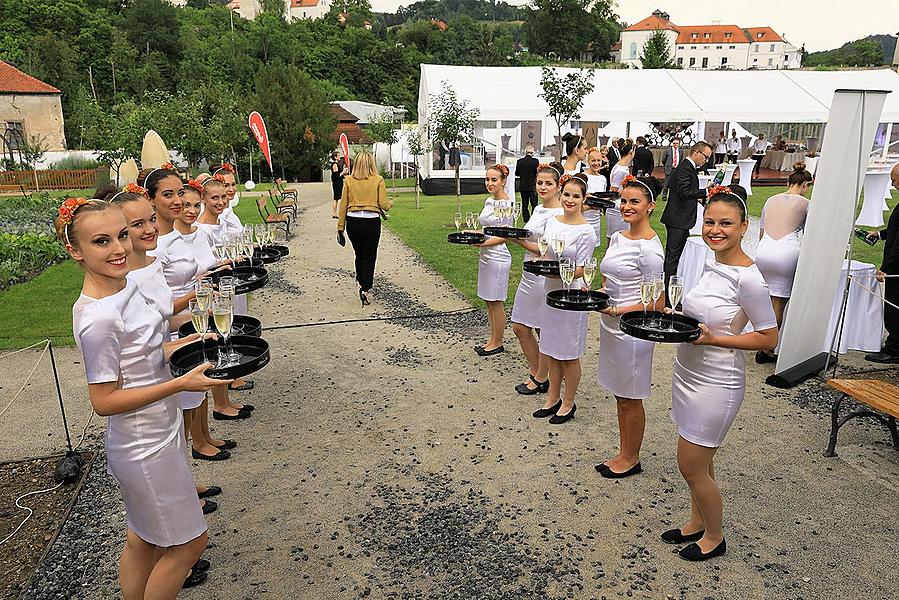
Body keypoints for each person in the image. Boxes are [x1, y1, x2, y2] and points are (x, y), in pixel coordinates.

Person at [57, 196, 228, 596]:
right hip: (142, 445)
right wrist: (178, 384)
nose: (118, 249)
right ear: (75, 251)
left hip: (161, 432)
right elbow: (103, 401)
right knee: (188, 545)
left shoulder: (126, 288)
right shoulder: (98, 317)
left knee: (144, 540)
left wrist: (192, 342)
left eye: (120, 235)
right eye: (102, 242)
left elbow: (147, 352)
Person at [665, 188, 778, 562]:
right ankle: (696, 521)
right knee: (702, 460)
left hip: (717, 381)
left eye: (726, 223)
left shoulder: (750, 279)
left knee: (690, 465)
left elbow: (769, 337)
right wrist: (678, 319)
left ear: (744, 227)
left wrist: (718, 338)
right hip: (688, 372)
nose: (715, 230)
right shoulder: (712, 262)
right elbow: (703, 315)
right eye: (710, 222)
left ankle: (715, 536)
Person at [594, 175, 665, 478]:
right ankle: (624, 451)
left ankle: (631, 458)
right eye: (624, 200)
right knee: (619, 393)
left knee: (630, 395)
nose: (626, 206)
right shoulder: (620, 237)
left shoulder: (650, 250)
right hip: (610, 323)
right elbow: (610, 278)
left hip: (632, 328)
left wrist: (619, 309)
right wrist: (597, 295)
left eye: (634, 201)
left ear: (650, 206)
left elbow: (658, 304)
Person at [521, 174, 596, 424]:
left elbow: (584, 268)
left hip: (570, 296)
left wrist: (559, 271)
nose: (570, 200)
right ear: (560, 195)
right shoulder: (552, 221)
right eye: (567, 195)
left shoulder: (587, 232)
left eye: (576, 196)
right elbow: (544, 251)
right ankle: (551, 398)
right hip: (549, 291)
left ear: (584, 199)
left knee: (568, 353)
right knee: (551, 349)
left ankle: (568, 402)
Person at [508, 163, 564, 394]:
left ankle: (542, 377)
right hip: (528, 273)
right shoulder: (539, 209)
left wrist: (516, 240)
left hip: (543, 276)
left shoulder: (560, 214)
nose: (543, 187)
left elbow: (548, 251)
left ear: (558, 186)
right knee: (520, 327)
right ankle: (538, 372)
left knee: (543, 329)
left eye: (548, 183)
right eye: (540, 183)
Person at [754, 162, 813, 363]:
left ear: (789, 182)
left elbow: (761, 232)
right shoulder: (806, 204)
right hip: (786, 252)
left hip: (764, 251)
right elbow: (810, 235)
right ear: (805, 184)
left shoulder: (770, 200)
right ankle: (767, 349)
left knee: (763, 300)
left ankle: (758, 338)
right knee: (778, 303)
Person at [337, 151, 392, 307]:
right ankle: (365, 288)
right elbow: (383, 205)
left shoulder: (348, 180)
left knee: (359, 254)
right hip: (371, 223)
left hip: (353, 223)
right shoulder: (378, 180)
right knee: (370, 255)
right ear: (371, 164)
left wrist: (340, 227)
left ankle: (361, 280)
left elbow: (343, 205)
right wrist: (390, 204)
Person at [661, 141, 712, 302]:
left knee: (676, 258)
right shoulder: (684, 168)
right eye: (706, 157)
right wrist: (705, 191)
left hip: (681, 219)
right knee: (672, 259)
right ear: (696, 153)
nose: (706, 161)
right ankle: (669, 298)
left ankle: (672, 295)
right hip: (677, 219)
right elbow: (684, 192)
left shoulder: (687, 167)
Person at [470, 164, 513, 356]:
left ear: (503, 181)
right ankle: (492, 339)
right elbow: (487, 230)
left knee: (496, 300)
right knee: (488, 300)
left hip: (498, 256)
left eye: (494, 180)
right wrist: (473, 234)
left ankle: (498, 342)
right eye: (487, 179)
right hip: (486, 256)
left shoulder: (507, 205)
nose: (489, 183)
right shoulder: (489, 201)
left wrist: (483, 243)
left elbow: (505, 235)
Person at [864, 163, 899, 363]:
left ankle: (894, 349)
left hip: (896, 269)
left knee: (894, 308)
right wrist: (880, 234)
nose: (893, 185)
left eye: (894, 180)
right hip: (895, 264)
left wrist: (886, 268)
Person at [607, 140, 635, 239]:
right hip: (616, 208)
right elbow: (613, 192)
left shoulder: (623, 167)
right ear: (631, 152)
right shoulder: (620, 170)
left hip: (622, 205)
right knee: (615, 239)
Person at [582, 147, 608, 246]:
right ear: (588, 161)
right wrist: (592, 204)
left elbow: (603, 199)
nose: (596, 163)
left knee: (592, 246)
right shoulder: (583, 176)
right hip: (583, 217)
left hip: (596, 219)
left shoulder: (602, 179)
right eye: (593, 160)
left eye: (598, 160)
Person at [516, 145, 540, 222]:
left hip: (523, 185)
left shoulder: (519, 161)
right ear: (532, 152)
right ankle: (534, 217)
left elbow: (517, 173)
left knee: (524, 203)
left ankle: (526, 218)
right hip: (532, 186)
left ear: (525, 152)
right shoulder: (535, 161)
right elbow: (537, 173)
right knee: (534, 203)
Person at [329, 151, 347, 219]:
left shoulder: (336, 164)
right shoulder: (335, 165)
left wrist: (344, 175)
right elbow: (336, 175)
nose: (340, 157)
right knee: (339, 198)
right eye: (338, 156)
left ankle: (334, 213)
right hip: (337, 183)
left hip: (338, 182)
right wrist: (343, 172)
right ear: (335, 157)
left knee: (336, 198)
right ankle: (338, 213)